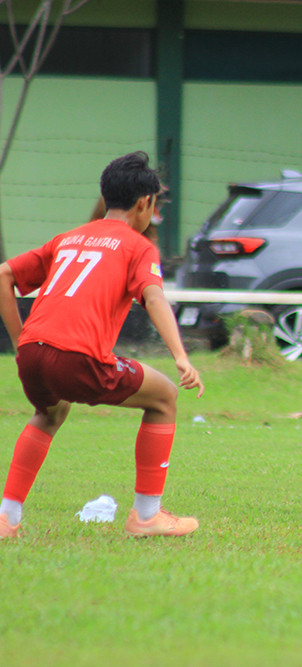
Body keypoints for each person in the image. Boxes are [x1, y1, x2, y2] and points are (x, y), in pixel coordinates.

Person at [0, 151, 204, 539]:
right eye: (155, 204)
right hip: (77, 357)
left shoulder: (70, 237)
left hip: (33, 353)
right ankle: (146, 516)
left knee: (49, 413)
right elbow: (155, 297)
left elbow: (5, 273)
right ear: (145, 203)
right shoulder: (138, 245)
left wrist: (19, 341)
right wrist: (180, 356)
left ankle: (6, 519)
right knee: (164, 397)